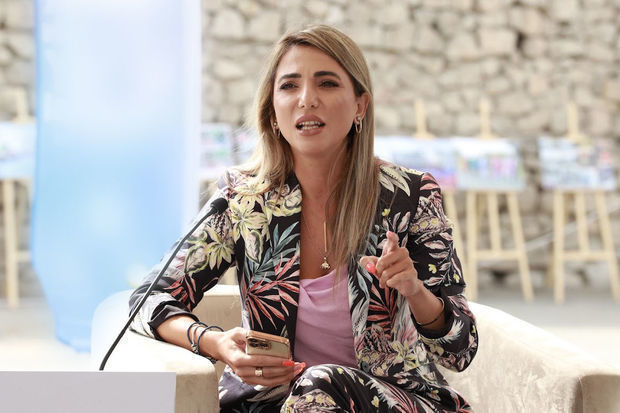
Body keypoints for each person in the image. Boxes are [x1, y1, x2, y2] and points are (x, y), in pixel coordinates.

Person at [130, 24, 478, 412]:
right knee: (315, 387)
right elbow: (150, 299)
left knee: (321, 382)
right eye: (289, 86)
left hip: (393, 401)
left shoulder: (409, 197)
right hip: (274, 404)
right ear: (272, 112)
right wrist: (215, 343)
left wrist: (415, 292)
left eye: (327, 83)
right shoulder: (243, 201)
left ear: (360, 105)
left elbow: (460, 350)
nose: (307, 99)